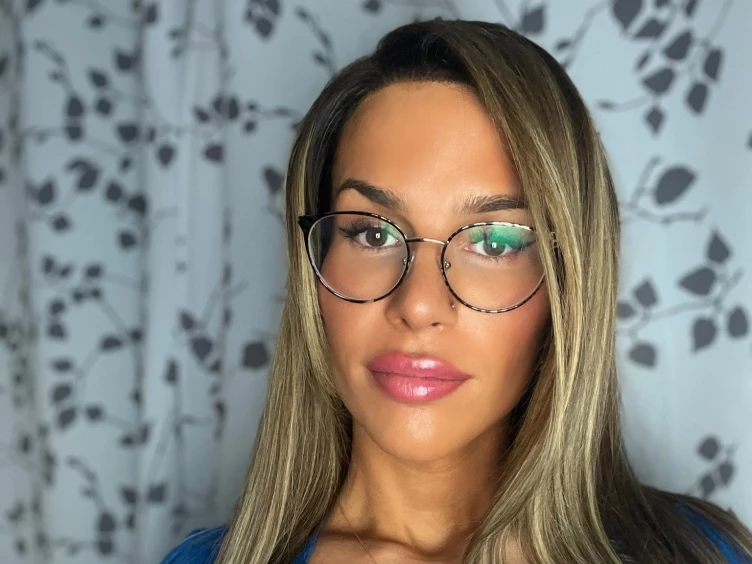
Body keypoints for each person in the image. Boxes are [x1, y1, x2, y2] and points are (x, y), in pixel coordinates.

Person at [161, 19, 752, 564]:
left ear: (567, 285)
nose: (418, 305)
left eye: (494, 242)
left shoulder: (699, 554)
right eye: (372, 233)